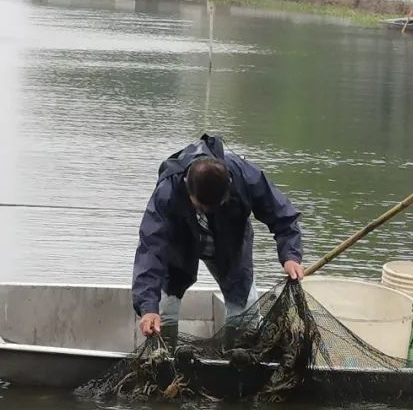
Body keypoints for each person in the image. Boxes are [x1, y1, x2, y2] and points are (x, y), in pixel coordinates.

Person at [131, 134, 305, 346]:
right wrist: (148, 307)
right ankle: (164, 366)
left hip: (229, 248)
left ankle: (238, 364)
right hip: (180, 247)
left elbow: (283, 217)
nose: (208, 211)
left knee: (245, 318)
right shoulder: (168, 190)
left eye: (215, 206)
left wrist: (291, 255)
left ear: (229, 185)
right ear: (187, 186)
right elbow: (151, 247)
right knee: (162, 314)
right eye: (201, 207)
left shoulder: (245, 176)